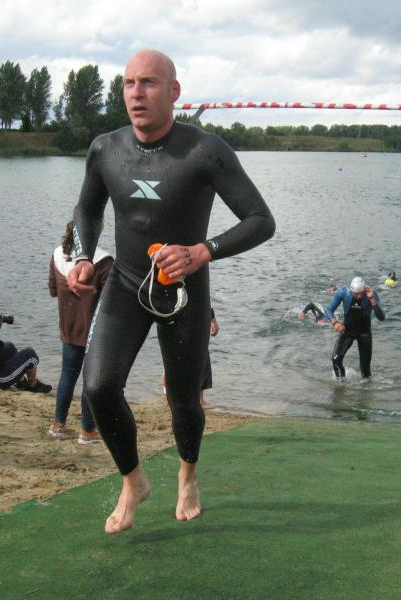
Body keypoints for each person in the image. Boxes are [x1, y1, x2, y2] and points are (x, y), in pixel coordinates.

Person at [66, 49, 275, 534]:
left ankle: (187, 473)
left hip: (184, 290)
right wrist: (83, 256)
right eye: (129, 83)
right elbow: (88, 209)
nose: (137, 93)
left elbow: (261, 220)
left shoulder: (205, 150)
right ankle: (133, 481)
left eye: (149, 83)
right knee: (98, 387)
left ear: (174, 91)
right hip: (126, 283)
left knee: (184, 401)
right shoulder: (105, 149)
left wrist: (203, 251)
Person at [48, 221, 114, 443]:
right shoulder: (104, 261)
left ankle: (58, 425)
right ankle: (87, 430)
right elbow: (110, 302)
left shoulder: (57, 255)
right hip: (95, 330)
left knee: (67, 375)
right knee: (89, 380)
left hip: (69, 326)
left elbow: (53, 290)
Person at [325, 277, 385, 380]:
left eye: (360, 293)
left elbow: (381, 317)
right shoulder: (344, 292)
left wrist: (372, 299)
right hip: (347, 331)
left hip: (364, 334)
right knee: (336, 359)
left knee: (365, 370)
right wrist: (335, 323)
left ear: (364, 290)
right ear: (351, 290)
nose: (358, 296)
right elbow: (328, 309)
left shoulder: (372, 294)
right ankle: (341, 384)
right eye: (355, 294)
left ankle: (366, 389)